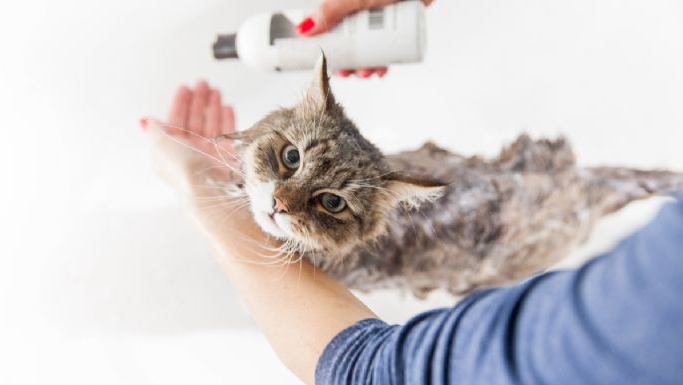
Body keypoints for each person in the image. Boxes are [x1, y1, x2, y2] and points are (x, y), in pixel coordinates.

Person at [140, 1, 683, 384]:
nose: (283, 201)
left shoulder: (636, 330)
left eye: (327, 202)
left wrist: (197, 190)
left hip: (520, 239)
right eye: (288, 158)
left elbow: (369, 372)